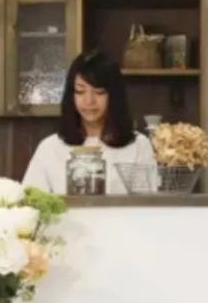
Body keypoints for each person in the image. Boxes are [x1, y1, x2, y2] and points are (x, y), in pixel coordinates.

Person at [21, 49, 155, 195]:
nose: (89, 101)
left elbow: (147, 203)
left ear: (114, 95)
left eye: (99, 92)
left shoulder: (138, 146)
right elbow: (30, 201)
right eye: (80, 91)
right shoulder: (50, 148)